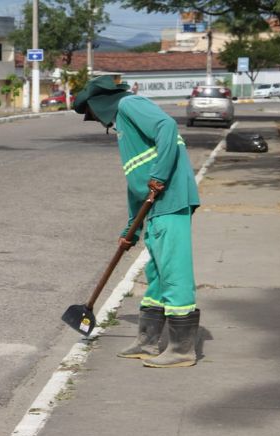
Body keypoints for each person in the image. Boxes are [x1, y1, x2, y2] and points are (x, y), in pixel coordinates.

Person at [73, 75, 201, 368]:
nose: (96, 121)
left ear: (98, 103)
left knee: (174, 271)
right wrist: (130, 229)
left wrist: (159, 176)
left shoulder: (130, 104)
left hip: (171, 200)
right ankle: (147, 342)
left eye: (91, 114)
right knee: (156, 276)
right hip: (154, 206)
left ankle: (182, 350)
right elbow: (136, 181)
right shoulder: (125, 129)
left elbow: (166, 126)